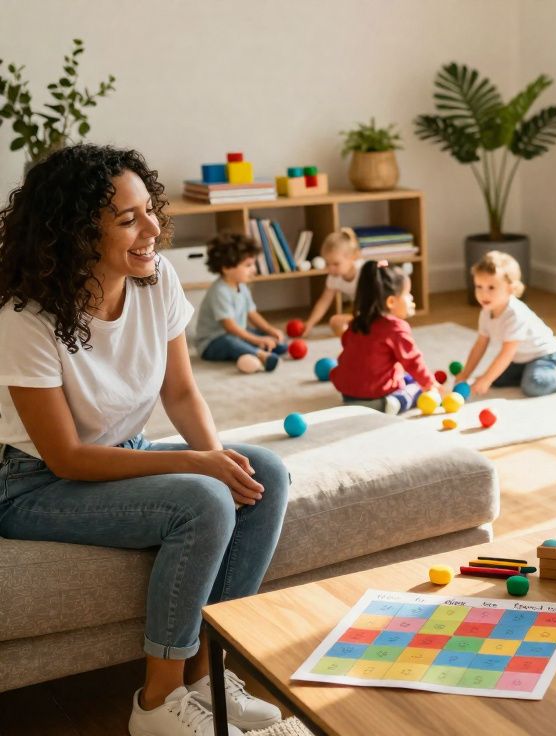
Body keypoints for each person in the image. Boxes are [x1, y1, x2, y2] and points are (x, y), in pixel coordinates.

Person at [0, 144, 288, 735]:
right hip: (31, 482)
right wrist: (203, 472)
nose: (154, 227)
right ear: (75, 234)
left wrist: (220, 460)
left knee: (264, 473)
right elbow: (66, 457)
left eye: (148, 209)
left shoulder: (156, 280)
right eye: (128, 219)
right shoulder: (23, 316)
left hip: (121, 451)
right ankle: (157, 705)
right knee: (203, 499)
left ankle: (210, 681)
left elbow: (181, 394)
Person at [453, 250, 556, 396]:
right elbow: (480, 345)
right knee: (497, 380)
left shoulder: (515, 315)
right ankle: (525, 373)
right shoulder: (486, 311)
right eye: (479, 286)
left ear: (511, 289)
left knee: (533, 386)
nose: (483, 294)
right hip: (520, 357)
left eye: (491, 287)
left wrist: (486, 379)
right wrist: (465, 374)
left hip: (543, 354)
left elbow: (506, 353)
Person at [330, 260, 438, 414]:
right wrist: (431, 384)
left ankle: (362, 403)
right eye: (408, 294)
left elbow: (348, 345)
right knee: (419, 388)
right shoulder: (396, 328)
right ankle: (391, 403)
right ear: (391, 301)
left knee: (407, 377)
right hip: (376, 393)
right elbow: (413, 361)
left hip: (347, 393)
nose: (411, 298)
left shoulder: (357, 321)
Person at [194, 231, 288, 372]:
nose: (254, 270)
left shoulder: (242, 286)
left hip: (237, 333)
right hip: (212, 343)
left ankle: (259, 348)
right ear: (226, 268)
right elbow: (230, 327)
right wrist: (257, 341)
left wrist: (270, 330)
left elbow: (252, 314)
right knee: (230, 342)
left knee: (273, 341)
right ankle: (261, 355)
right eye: (248, 265)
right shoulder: (220, 291)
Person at [301, 226, 362, 336]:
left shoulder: (364, 271)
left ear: (353, 257)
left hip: (384, 308)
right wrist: (310, 323)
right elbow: (324, 301)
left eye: (336, 264)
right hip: (363, 312)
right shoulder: (334, 277)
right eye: (327, 264)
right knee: (335, 322)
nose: (330, 268)